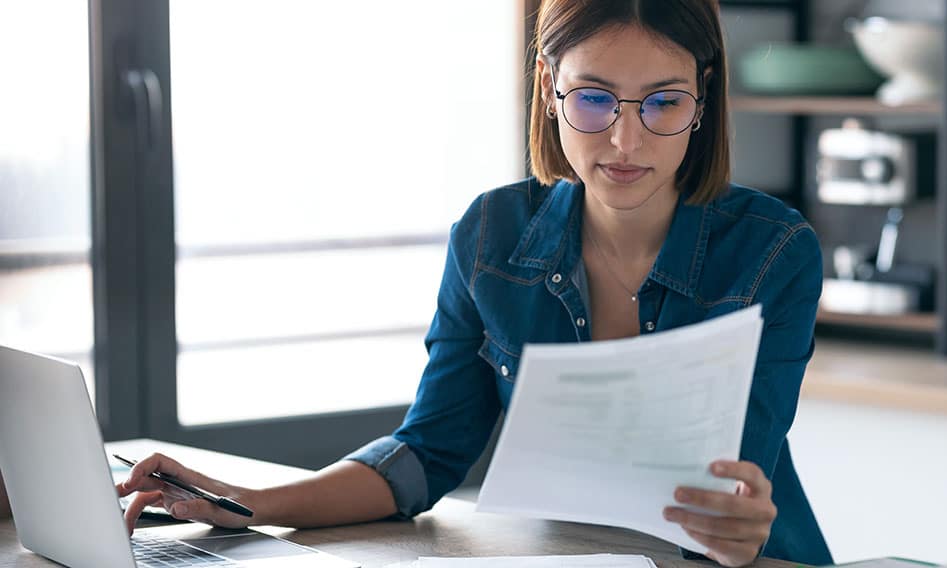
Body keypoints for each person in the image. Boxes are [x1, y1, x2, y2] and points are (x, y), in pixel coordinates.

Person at [118, 1, 832, 565]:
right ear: (549, 88)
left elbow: (733, 490)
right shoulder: (492, 235)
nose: (626, 140)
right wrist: (244, 501)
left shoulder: (773, 252)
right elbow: (426, 456)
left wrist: (737, 528)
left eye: (663, 102)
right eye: (594, 98)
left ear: (703, 98)